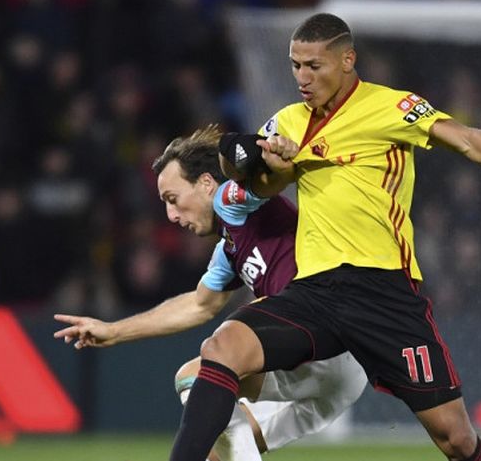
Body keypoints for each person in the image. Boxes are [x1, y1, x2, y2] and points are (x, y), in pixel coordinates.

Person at [168, 13, 481, 461]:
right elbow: (259, 185)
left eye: (314, 66)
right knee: (221, 347)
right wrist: (261, 162)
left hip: (384, 290)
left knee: (455, 439)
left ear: (347, 60)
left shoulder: (390, 107)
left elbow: (463, 138)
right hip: (315, 291)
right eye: (295, 66)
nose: (302, 77)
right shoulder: (287, 122)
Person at [53, 125, 367, 461]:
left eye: (173, 200)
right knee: (221, 451)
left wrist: (275, 159)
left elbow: (266, 184)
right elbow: (199, 304)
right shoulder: (229, 248)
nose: (171, 216)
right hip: (329, 379)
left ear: (206, 184)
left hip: (328, 345)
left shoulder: (234, 200)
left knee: (199, 374)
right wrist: (113, 331)